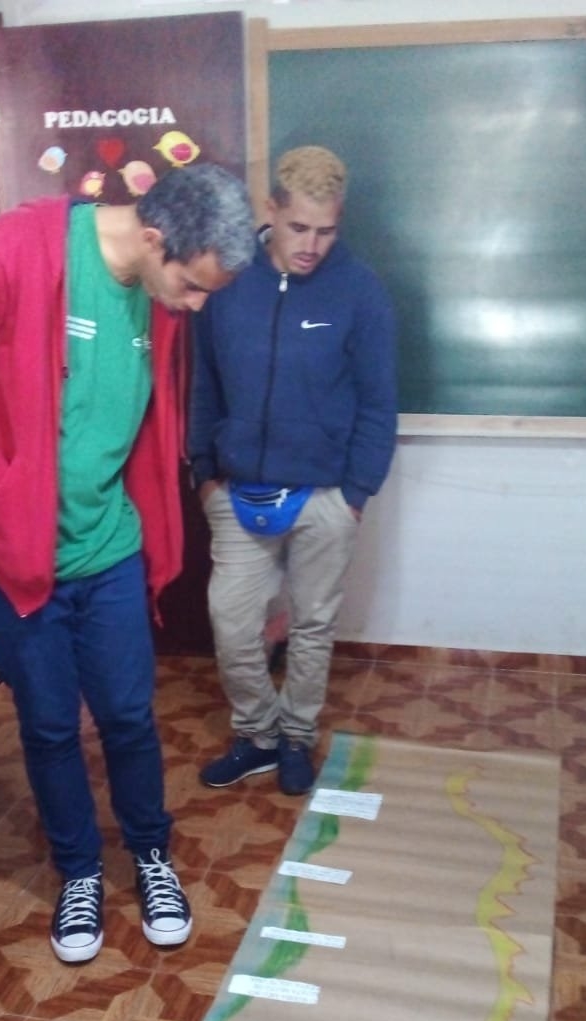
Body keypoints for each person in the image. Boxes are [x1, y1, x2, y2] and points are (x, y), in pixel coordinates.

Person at [0, 164, 254, 963]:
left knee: (129, 716)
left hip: (109, 549)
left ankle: (151, 854)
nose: (195, 307)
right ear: (155, 238)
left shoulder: (158, 298)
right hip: (13, 556)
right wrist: (3, 495)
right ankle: (79, 872)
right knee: (50, 722)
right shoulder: (12, 253)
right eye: (194, 287)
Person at [189, 146, 397, 797]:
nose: (311, 246)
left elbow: (379, 401)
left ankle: (297, 738)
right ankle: (257, 735)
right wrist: (204, 472)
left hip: (325, 496)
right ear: (271, 210)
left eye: (326, 231)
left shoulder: (359, 291)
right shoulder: (229, 280)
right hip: (236, 489)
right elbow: (204, 383)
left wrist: (355, 493)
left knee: (312, 626)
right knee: (232, 622)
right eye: (299, 227)